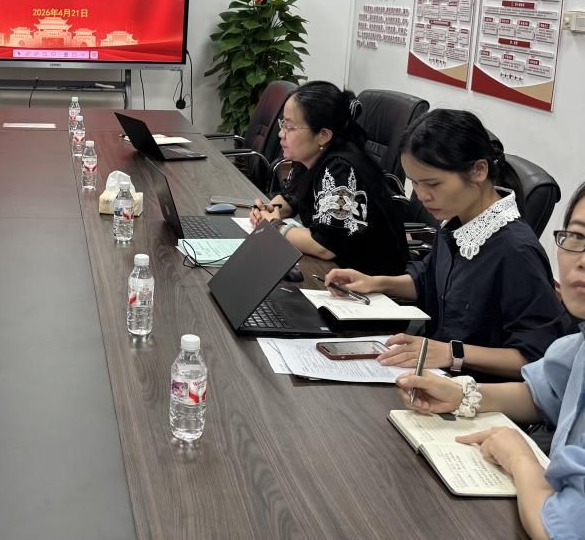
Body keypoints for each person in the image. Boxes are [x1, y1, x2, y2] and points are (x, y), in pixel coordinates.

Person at [397, 182, 585, 540]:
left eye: (432, 181)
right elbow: (545, 395)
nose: (582, 260)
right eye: (577, 236)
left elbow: (563, 530)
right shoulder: (578, 345)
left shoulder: (515, 249)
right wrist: (461, 394)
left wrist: (519, 459)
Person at [325, 109, 565, 380]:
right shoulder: (457, 220)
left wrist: (452, 353)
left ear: (479, 170)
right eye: (415, 183)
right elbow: (428, 279)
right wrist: (375, 282)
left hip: (476, 390)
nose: (422, 196)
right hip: (432, 373)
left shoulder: (516, 251)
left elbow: (536, 357)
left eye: (433, 184)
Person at [248, 81, 408, 276]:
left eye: (290, 127)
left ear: (323, 135)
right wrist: (270, 210)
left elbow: (325, 245)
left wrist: (275, 225)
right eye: (283, 123)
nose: (281, 133)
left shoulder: (340, 170)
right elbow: (294, 197)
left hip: (370, 281)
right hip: (336, 272)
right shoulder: (309, 156)